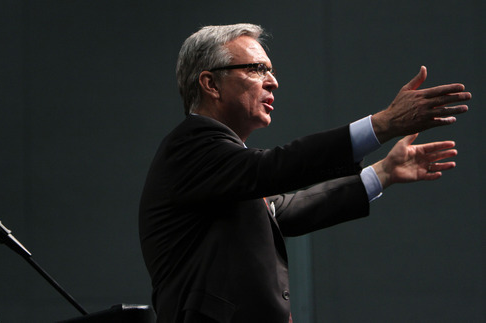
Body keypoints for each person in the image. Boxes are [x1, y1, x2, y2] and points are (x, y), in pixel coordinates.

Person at [139, 23, 471, 323]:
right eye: (257, 69)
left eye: (270, 70)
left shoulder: (222, 169)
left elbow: (279, 211)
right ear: (210, 84)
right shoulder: (191, 146)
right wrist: (382, 125)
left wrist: (382, 172)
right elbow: (275, 167)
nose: (273, 81)